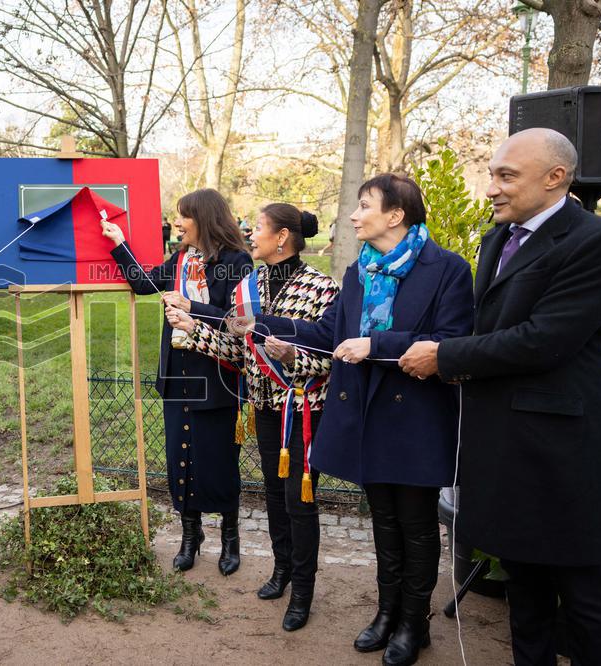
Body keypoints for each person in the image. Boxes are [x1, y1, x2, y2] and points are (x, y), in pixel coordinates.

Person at [399, 128, 601, 666]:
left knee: (583, 590)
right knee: (524, 585)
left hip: (562, 450)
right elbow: (489, 326)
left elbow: (546, 339)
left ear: (555, 177)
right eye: (492, 174)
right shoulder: (498, 237)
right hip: (503, 444)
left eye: (506, 176)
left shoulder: (597, 241)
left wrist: (447, 358)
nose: (492, 188)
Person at [243, 174, 473, 665]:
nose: (353, 214)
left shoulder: (448, 269)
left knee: (415, 523)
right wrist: (263, 324)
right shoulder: (358, 272)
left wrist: (377, 345)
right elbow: (329, 332)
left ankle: (415, 623)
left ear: (395, 215)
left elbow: (450, 340)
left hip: (415, 417)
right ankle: (387, 613)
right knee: (384, 522)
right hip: (365, 412)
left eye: (364, 205)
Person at [166, 203, 338, 632]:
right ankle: (281, 571)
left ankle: (303, 590)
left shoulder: (322, 288)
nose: (251, 232)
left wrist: (294, 353)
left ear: (282, 237)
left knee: (300, 502)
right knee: (275, 495)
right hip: (263, 407)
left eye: (259, 227)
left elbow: (330, 357)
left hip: (301, 411)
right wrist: (194, 328)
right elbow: (240, 354)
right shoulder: (249, 285)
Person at [102, 188, 253, 575]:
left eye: (183, 216)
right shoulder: (181, 258)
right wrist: (120, 244)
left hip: (217, 377)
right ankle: (191, 535)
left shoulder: (237, 262)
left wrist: (193, 307)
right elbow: (144, 284)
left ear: (203, 218)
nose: (177, 222)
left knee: (219, 463)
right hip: (178, 376)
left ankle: (230, 537)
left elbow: (241, 322)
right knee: (181, 460)